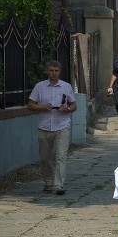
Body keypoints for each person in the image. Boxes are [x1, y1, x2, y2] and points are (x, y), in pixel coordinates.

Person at [27, 61, 77, 195]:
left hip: (62, 126)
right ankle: (48, 182)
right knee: (45, 158)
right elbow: (30, 105)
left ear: (59, 72)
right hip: (44, 126)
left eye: (56, 71)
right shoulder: (40, 86)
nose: (54, 73)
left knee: (61, 156)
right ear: (47, 72)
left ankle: (59, 185)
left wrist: (66, 109)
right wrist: (42, 107)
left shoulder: (66, 86)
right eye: (51, 71)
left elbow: (73, 105)